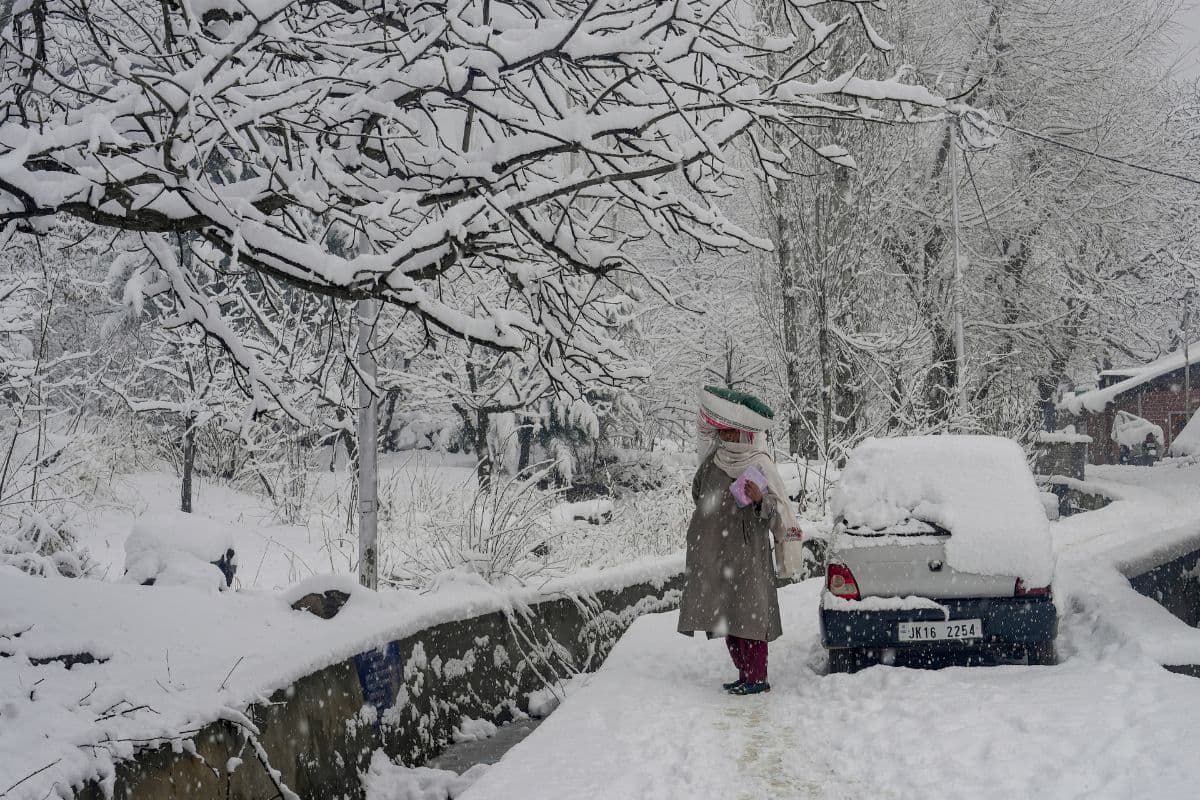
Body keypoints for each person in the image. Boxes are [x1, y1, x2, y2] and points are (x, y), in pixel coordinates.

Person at [677, 386, 802, 696]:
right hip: (719, 552)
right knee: (729, 618)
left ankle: (757, 677)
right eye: (727, 432)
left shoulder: (759, 463)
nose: (729, 438)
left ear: (747, 435)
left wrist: (760, 500)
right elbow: (698, 492)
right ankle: (744, 673)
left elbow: (777, 512)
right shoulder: (714, 460)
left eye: (734, 433)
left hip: (750, 555)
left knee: (752, 619)